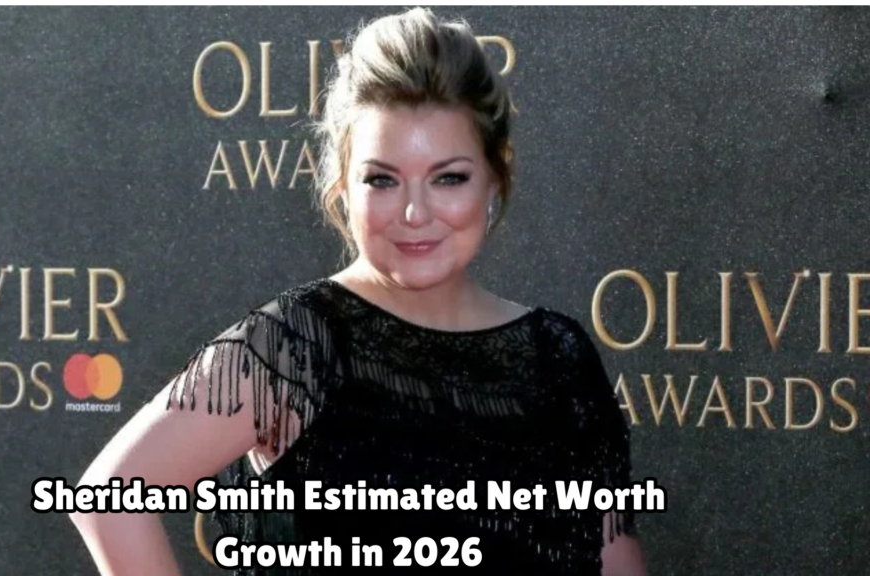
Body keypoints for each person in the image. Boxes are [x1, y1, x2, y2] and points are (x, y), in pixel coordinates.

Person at [70, 7, 648, 576]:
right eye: (382, 180)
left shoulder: (558, 355)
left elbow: (612, 557)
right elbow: (110, 499)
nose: (415, 213)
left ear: (495, 176)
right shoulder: (297, 344)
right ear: (342, 186)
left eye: (448, 177)